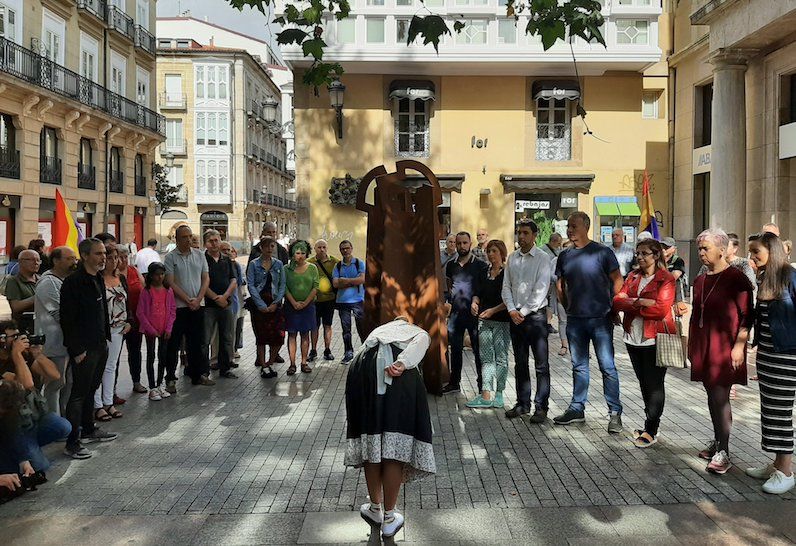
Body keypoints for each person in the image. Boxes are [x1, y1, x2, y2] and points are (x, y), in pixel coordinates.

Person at [345, 317, 436, 539]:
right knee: (393, 448)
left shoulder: (378, 331)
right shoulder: (416, 331)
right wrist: (402, 363)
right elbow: (421, 342)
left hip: (362, 372)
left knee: (372, 442)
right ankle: (389, 516)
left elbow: (361, 354)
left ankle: (375, 508)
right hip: (395, 375)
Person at [688, 228, 754, 474]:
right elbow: (697, 313)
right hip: (704, 344)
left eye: (705, 248)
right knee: (711, 395)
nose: (701, 253)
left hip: (725, 346)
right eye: (699, 249)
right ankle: (717, 440)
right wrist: (691, 344)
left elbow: (748, 315)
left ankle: (724, 451)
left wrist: (739, 345)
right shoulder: (700, 280)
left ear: (722, 250)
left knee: (720, 397)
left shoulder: (737, 279)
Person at [554, 211, 624, 432]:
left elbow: (617, 280)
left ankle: (614, 413)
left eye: (574, 226)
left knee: (607, 366)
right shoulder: (564, 256)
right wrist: (568, 309)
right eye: (568, 227)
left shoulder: (602, 252)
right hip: (575, 320)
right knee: (579, 366)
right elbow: (559, 286)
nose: (570, 230)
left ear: (586, 226)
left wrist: (613, 306)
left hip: (600, 319)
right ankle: (577, 409)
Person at [745, 233, 796, 494]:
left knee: (780, 412)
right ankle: (777, 463)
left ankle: (786, 471)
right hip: (767, 354)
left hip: (787, 356)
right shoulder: (766, 278)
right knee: (770, 410)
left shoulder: (791, 277)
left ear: (772, 251)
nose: (752, 257)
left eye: (756, 252)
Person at [612, 239, 676, 448]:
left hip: (654, 338)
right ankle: (649, 424)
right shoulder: (633, 276)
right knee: (643, 382)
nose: (639, 257)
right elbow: (617, 300)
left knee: (654, 385)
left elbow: (660, 310)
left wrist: (632, 304)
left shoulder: (666, 279)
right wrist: (639, 302)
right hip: (634, 337)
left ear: (656, 255)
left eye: (644, 253)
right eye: (638, 253)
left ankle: (651, 429)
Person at [60, 238, 117, 459]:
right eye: (98, 254)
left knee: (91, 390)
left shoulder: (98, 279)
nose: (103, 258)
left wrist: (106, 338)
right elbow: (68, 318)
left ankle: (89, 429)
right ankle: (72, 441)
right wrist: (76, 349)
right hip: (84, 347)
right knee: (78, 394)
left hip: (100, 343)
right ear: (84, 256)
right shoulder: (74, 282)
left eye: (104, 253)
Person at [500, 220, 553, 423]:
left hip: (535, 317)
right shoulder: (512, 258)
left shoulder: (543, 258)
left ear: (534, 235)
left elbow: (541, 290)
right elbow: (506, 286)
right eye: (519, 233)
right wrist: (512, 310)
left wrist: (521, 311)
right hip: (516, 317)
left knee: (541, 365)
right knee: (520, 363)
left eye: (525, 233)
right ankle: (523, 403)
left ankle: (541, 407)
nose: (521, 236)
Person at [0, 327, 69, 479]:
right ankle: (19, 454)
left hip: (31, 418)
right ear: (2, 339)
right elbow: (25, 384)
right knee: (41, 467)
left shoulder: (23, 357)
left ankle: (28, 449)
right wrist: (17, 355)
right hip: (12, 426)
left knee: (63, 426)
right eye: (15, 337)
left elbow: (55, 374)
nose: (20, 340)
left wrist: (38, 355)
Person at [164, 225, 214, 391]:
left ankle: (198, 374)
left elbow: (205, 278)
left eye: (190, 236)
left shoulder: (200, 255)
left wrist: (199, 298)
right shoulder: (171, 258)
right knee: (174, 343)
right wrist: (187, 299)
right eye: (184, 237)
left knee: (197, 342)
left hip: (197, 306)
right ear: (177, 239)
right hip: (179, 307)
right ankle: (170, 378)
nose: (188, 239)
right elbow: (170, 281)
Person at [465, 240, 510, 410]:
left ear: (502, 253)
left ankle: (499, 393)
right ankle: (485, 394)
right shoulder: (483, 272)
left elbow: (509, 299)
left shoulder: (507, 273)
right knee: (485, 358)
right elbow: (477, 293)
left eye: (494, 251)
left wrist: (493, 310)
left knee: (501, 358)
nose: (490, 254)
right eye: (488, 251)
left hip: (502, 321)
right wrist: (474, 303)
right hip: (484, 320)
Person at [34, 246, 78, 415]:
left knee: (68, 382)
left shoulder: (64, 280)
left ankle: (65, 418)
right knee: (56, 383)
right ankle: (54, 422)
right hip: (53, 343)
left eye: (74, 258)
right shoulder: (48, 282)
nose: (74, 262)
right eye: (69, 259)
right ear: (55, 261)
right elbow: (60, 312)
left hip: (65, 342)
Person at [443, 232, 488, 395]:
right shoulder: (450, 265)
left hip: (474, 314)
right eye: (459, 243)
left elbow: (484, 290)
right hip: (456, 313)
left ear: (470, 243)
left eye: (465, 243)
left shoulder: (481, 265)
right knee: (455, 349)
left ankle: (482, 385)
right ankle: (454, 383)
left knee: (477, 349)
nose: (462, 246)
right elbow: (449, 285)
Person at [93, 244, 130, 422]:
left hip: (118, 327)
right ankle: (97, 404)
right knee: (99, 367)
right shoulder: (96, 279)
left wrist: (129, 321)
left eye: (116, 257)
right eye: (110, 257)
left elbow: (126, 302)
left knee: (111, 366)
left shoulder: (121, 278)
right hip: (101, 329)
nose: (114, 261)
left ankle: (108, 402)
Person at [246, 236, 286, 378]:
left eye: (272, 246)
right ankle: (263, 365)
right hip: (259, 303)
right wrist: (261, 305)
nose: (270, 249)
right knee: (261, 336)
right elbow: (250, 284)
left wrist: (276, 303)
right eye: (267, 246)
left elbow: (282, 284)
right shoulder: (254, 264)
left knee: (278, 335)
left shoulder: (278, 264)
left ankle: (270, 362)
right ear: (261, 248)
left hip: (275, 302)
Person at [136, 263, 176, 401]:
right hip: (151, 330)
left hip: (164, 329)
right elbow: (140, 313)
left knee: (163, 356)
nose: (160, 277)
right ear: (151, 275)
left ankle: (159, 384)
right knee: (151, 356)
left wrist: (169, 328)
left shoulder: (168, 290)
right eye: (157, 274)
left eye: (162, 274)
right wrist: (150, 329)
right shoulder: (146, 291)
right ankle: (152, 386)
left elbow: (172, 311)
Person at [202, 230, 238, 379]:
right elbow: (201, 282)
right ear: (206, 243)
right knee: (205, 339)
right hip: (209, 305)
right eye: (211, 241)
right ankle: (204, 370)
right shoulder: (202, 259)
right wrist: (216, 298)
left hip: (226, 304)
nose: (214, 244)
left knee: (227, 337)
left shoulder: (226, 259)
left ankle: (225, 368)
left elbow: (233, 279)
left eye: (216, 240)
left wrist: (225, 296)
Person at [284, 240, 318, 375]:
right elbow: (284, 287)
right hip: (291, 307)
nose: (300, 256)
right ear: (292, 253)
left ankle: (304, 362)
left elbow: (315, 286)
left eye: (303, 253)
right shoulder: (286, 269)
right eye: (297, 253)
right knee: (292, 334)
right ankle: (292, 364)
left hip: (308, 307)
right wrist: (293, 302)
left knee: (305, 334)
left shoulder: (312, 268)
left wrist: (305, 302)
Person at [117, 245, 147, 395]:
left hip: (135, 318)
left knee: (135, 351)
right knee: (114, 356)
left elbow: (144, 288)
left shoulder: (134, 271)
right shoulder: (111, 274)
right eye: (119, 257)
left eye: (125, 256)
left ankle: (136, 381)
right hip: (118, 321)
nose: (123, 260)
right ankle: (112, 390)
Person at [333, 240, 367, 364]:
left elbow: (362, 280)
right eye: (342, 249)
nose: (345, 251)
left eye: (347, 248)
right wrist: (353, 281)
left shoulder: (359, 263)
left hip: (358, 300)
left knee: (361, 327)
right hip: (342, 302)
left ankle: (365, 351)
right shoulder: (337, 266)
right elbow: (336, 283)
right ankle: (348, 353)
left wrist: (345, 281)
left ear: (351, 248)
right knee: (346, 329)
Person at [308, 239, 339, 362]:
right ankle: (313, 350)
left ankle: (327, 350)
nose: (322, 249)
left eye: (324, 247)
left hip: (329, 300)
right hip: (314, 301)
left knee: (328, 325)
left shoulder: (335, 262)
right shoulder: (309, 263)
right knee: (314, 326)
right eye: (319, 247)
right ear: (315, 249)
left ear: (327, 248)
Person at [221, 242, 246, 359]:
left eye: (229, 250)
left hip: (235, 302)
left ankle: (230, 355)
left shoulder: (236, 265)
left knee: (233, 330)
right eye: (224, 250)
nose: (227, 253)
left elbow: (240, 282)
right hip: (219, 302)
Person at [5, 249, 40, 334]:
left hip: (41, 326)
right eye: (31, 260)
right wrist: (38, 297)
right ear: (20, 262)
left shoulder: (42, 279)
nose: (36, 263)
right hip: (23, 328)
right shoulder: (13, 281)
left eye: (38, 260)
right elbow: (16, 307)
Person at [541, 233, 564, 335]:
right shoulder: (543, 251)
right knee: (547, 303)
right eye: (558, 243)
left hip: (553, 282)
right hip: (546, 281)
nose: (559, 246)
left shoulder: (557, 250)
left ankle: (548, 323)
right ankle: (545, 323)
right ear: (553, 241)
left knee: (550, 304)